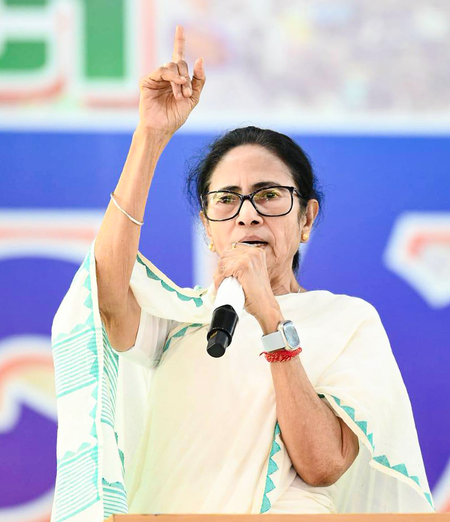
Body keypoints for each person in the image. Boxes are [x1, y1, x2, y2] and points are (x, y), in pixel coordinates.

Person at [51, 26, 434, 521]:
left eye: (269, 195)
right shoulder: (181, 320)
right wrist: (150, 136)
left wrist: (270, 318)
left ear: (307, 219)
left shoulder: (346, 320)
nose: (248, 215)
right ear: (208, 229)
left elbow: (323, 464)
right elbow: (103, 296)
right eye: (227, 200)